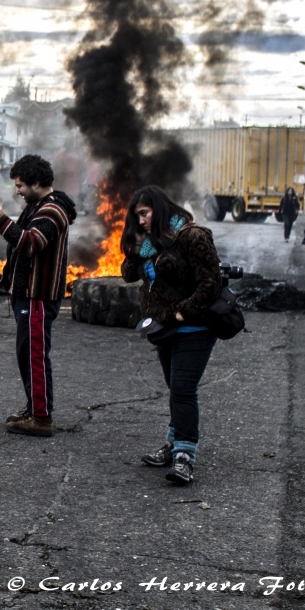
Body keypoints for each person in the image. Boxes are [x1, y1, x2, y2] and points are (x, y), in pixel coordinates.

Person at [120, 185, 223, 486]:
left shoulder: (192, 236)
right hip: (163, 328)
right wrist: (136, 245)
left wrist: (183, 312)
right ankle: (173, 442)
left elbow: (211, 283)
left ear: (160, 208)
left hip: (194, 327)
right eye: (136, 216)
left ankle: (184, 455)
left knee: (182, 388)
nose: (140, 220)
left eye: (144, 214)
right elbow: (128, 274)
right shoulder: (151, 244)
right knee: (174, 387)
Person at [0, 154, 77, 437]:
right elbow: (20, 236)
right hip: (28, 295)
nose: (16, 191)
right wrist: (0, 219)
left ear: (36, 182)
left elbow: (30, 243)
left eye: (20, 185)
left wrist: (0, 221)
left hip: (38, 296)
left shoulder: (52, 211)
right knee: (27, 354)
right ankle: (35, 408)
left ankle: (41, 418)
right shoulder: (38, 205)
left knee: (34, 356)